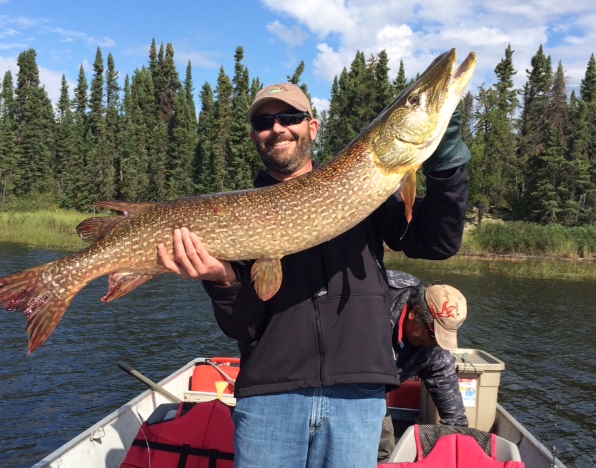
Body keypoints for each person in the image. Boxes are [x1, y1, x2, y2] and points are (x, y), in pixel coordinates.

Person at [157, 82, 470, 467]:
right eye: (264, 122)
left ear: (313, 127)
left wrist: (447, 164)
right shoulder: (235, 215)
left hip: (356, 395)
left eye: (289, 117)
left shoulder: (368, 186)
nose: (278, 128)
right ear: (255, 135)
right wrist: (222, 278)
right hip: (269, 397)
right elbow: (242, 326)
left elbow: (437, 243)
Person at [378, 270, 469, 462]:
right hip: (340, 377)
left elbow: (444, 378)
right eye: (433, 334)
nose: (436, 344)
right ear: (414, 312)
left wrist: (457, 431)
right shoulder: (377, 302)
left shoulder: (432, 345)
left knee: (384, 451)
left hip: (376, 390)